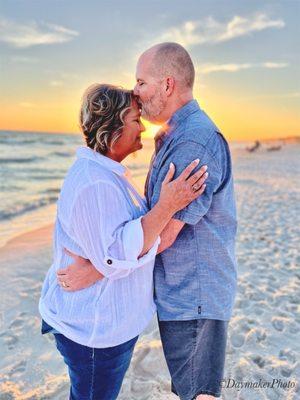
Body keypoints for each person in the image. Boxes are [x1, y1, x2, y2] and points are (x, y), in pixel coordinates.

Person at [39, 83, 208, 400]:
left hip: (107, 326)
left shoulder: (109, 174)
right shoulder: (94, 184)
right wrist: (167, 205)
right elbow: (116, 254)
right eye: (134, 119)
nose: (142, 126)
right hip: (94, 333)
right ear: (111, 128)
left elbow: (116, 251)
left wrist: (97, 269)